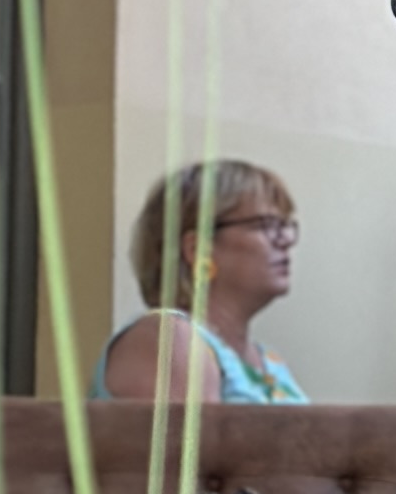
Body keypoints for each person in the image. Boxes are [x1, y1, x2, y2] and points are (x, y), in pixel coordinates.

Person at [97, 161, 310, 404]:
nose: (286, 241)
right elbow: (194, 443)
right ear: (197, 249)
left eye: (285, 225)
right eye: (265, 225)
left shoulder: (270, 363)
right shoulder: (169, 339)